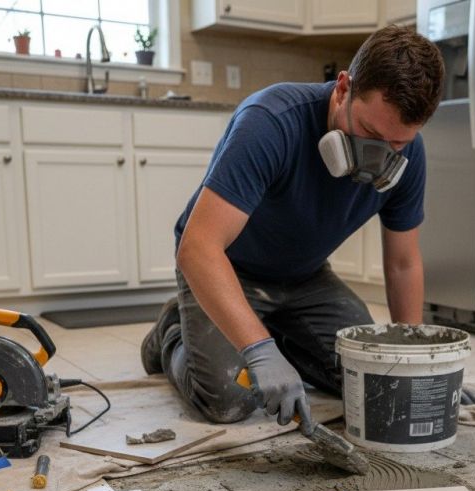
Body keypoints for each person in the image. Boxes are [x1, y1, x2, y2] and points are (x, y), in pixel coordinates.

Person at [141, 25, 444, 434]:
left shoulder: (410, 157)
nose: (379, 158)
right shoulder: (270, 122)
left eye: (397, 145)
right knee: (230, 399)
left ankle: (274, 335)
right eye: (371, 134)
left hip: (306, 276)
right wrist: (258, 350)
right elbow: (198, 248)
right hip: (227, 269)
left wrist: (412, 360)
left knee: (368, 380)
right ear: (342, 89)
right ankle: (172, 335)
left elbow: (404, 263)